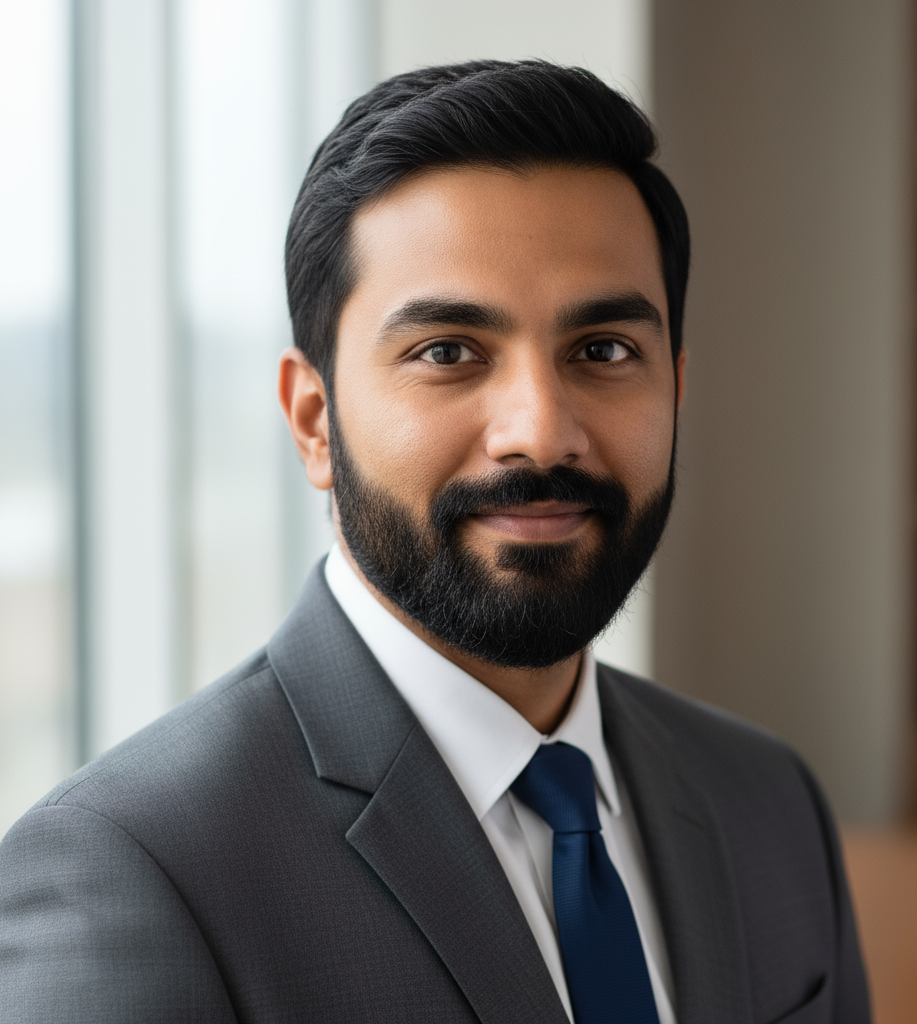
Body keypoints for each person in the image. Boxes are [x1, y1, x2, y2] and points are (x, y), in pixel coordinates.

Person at [0, 61, 870, 1023]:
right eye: (447, 352)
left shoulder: (769, 803)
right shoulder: (129, 874)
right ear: (314, 421)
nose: (541, 432)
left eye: (604, 351)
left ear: (676, 387)